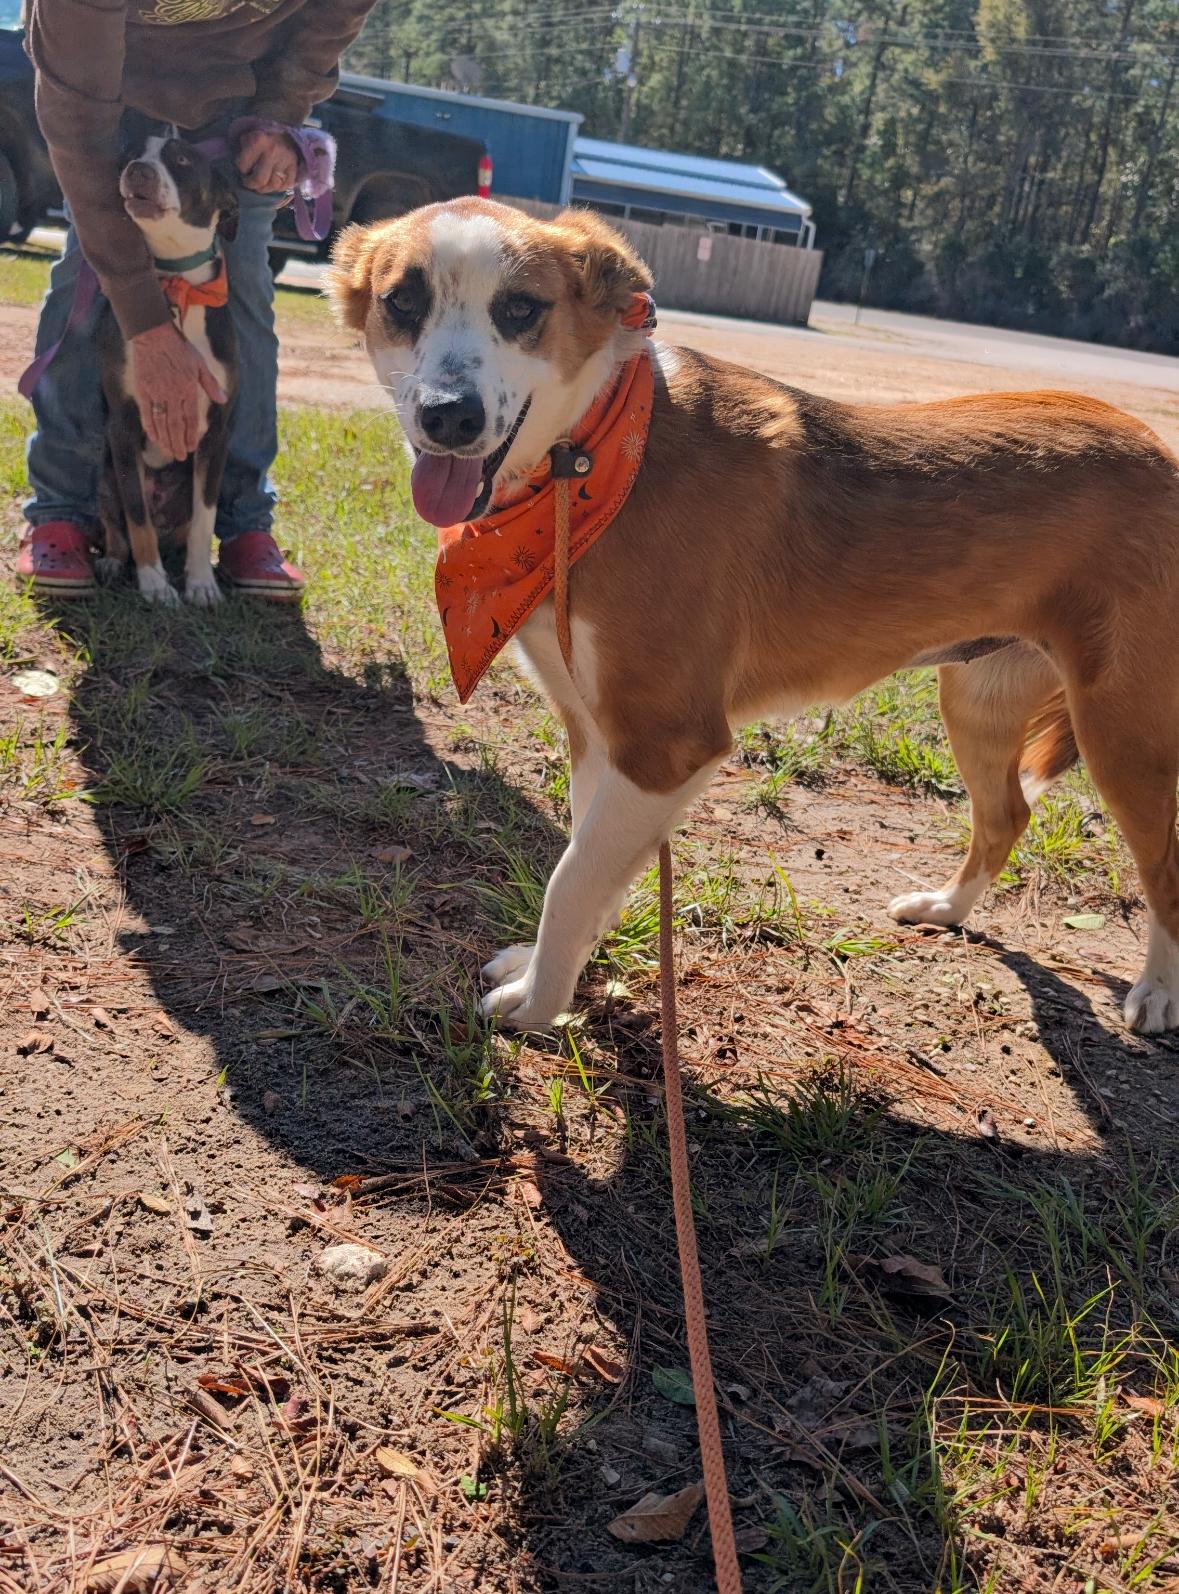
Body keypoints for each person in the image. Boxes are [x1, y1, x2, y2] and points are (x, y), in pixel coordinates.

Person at [16, 0, 379, 600]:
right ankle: (63, 513)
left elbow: (333, 12)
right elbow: (79, 130)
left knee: (246, 293)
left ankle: (242, 522)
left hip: (243, 101)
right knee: (84, 279)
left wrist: (280, 112)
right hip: (110, 97)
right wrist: (147, 327)